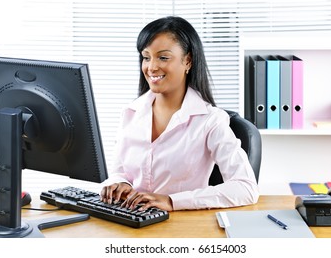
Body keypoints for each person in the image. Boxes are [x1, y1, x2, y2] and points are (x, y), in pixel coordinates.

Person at [101, 16, 259, 211]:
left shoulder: (210, 120)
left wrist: (171, 201)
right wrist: (120, 185)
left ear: (188, 60)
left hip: (181, 225)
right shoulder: (130, 113)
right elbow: (120, 172)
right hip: (133, 222)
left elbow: (246, 188)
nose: (151, 67)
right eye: (146, 57)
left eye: (163, 57)